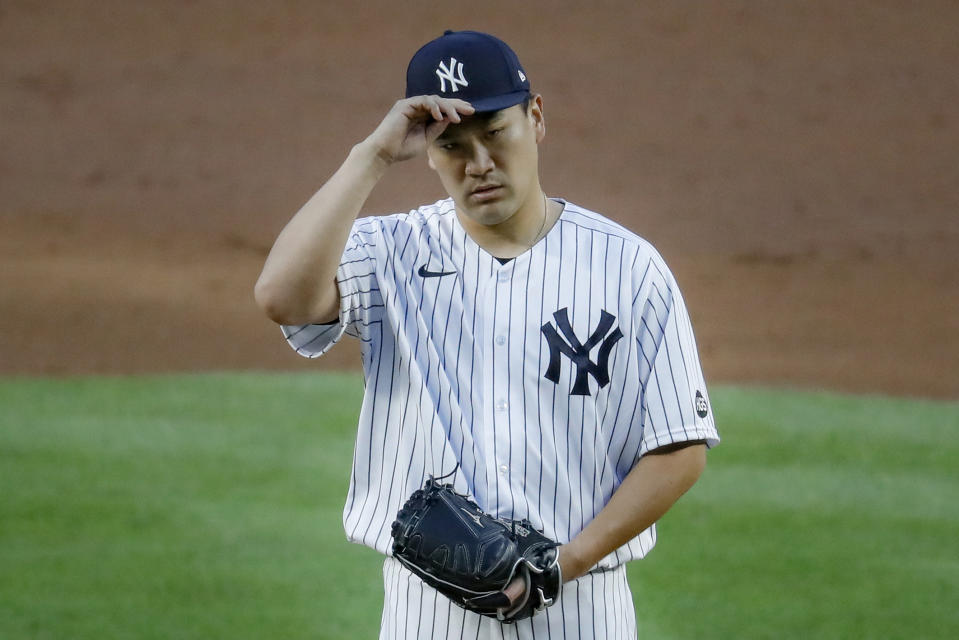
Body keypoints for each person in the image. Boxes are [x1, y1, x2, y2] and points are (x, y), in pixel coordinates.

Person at [255, 29, 719, 640]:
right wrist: (369, 156)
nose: (479, 165)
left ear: (536, 117)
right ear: (426, 149)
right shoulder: (387, 252)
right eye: (452, 146)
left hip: (582, 612)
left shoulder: (628, 268)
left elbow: (678, 449)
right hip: (427, 614)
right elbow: (281, 297)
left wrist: (559, 567)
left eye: (496, 134)